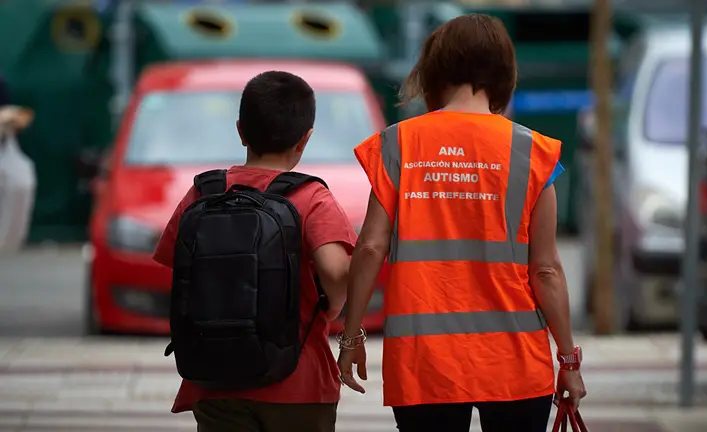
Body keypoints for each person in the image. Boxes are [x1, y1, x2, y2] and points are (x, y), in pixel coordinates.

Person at [337, 13, 586, 432]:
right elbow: (546, 269)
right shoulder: (532, 154)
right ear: (505, 73)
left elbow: (370, 248)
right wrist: (567, 359)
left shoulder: (398, 144)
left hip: (424, 363)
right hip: (515, 363)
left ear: (434, 70)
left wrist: (350, 336)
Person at [153, 71, 356, 432]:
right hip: (298, 382)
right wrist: (334, 308)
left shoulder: (205, 193)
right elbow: (337, 274)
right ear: (304, 140)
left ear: (240, 130)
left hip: (213, 379)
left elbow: (177, 266)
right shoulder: (312, 198)